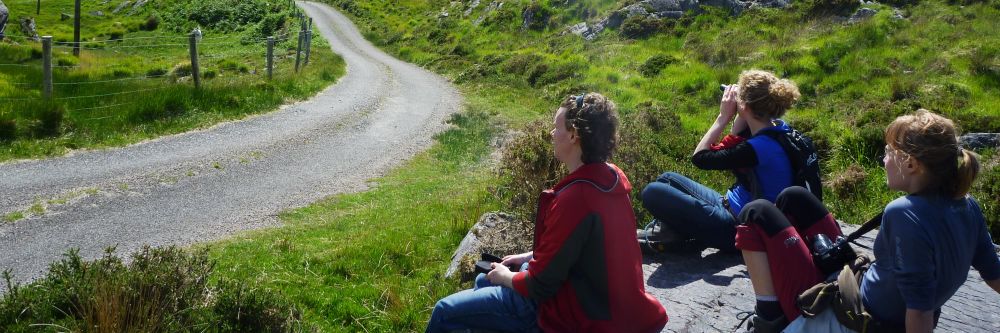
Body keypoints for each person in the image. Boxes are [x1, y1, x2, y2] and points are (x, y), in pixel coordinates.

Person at [736, 110, 1000, 332]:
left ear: (911, 164)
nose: (883, 159)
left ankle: (771, 318)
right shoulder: (967, 205)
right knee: (795, 197)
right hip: (864, 286)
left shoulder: (903, 213)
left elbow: (919, 310)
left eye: (888, 151)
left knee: (756, 212)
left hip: (856, 319)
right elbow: (993, 273)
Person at [425, 93, 668, 333]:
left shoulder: (577, 198)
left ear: (574, 135)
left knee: (445, 310)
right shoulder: (611, 179)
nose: (552, 134)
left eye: (556, 127)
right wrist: (529, 256)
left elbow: (539, 286)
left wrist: (505, 276)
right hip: (603, 304)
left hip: (570, 314)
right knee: (483, 280)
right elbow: (583, 248)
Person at [638, 69, 804, 251]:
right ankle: (680, 232)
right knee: (667, 178)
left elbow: (700, 158)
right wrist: (742, 113)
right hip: (729, 205)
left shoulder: (758, 148)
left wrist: (722, 117)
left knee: (652, 192)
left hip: (736, 228)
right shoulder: (778, 129)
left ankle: (681, 235)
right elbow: (734, 141)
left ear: (746, 106)